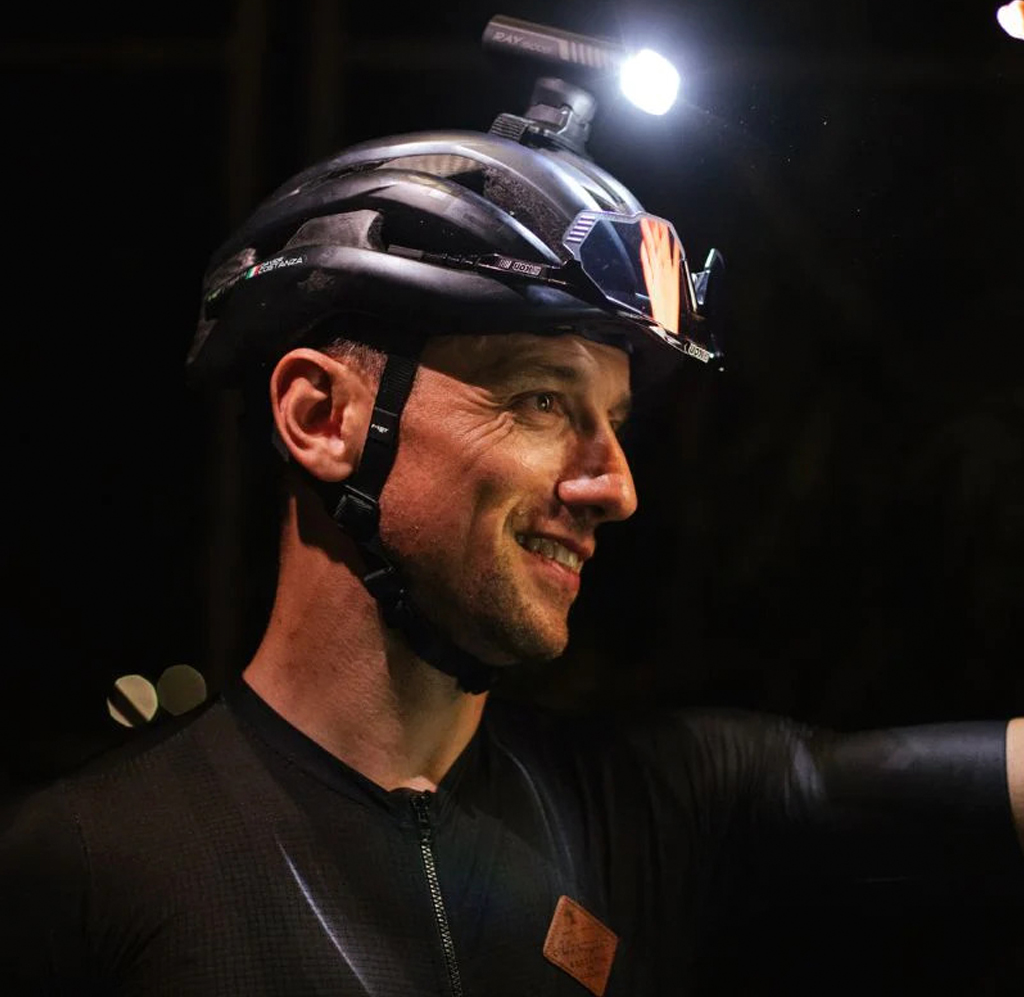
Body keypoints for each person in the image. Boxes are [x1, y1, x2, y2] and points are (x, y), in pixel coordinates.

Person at [1, 111, 1022, 996]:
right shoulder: (83, 869)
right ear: (322, 417)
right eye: (541, 400)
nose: (616, 487)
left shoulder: (649, 811)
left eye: (615, 421)